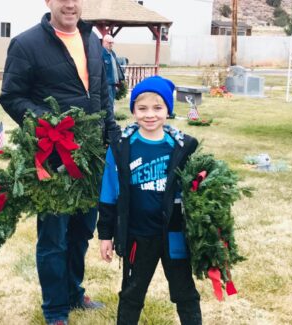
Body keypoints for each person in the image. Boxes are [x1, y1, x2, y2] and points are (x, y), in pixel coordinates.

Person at [0, 0, 120, 324]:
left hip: (92, 157)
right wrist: (50, 122)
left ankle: (73, 294)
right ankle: (54, 309)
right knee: (54, 235)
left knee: (82, 230)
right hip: (53, 158)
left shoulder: (91, 39)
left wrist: (113, 135)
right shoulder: (26, 44)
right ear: (48, 1)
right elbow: (11, 97)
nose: (70, 3)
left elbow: (102, 94)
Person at [97, 76, 202, 325]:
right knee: (132, 293)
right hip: (137, 235)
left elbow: (197, 191)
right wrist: (105, 235)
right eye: (142, 108)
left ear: (168, 110)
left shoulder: (183, 146)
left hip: (174, 235)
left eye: (158, 108)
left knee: (184, 292)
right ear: (133, 110)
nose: (150, 115)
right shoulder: (121, 146)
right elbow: (109, 192)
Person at [102, 34, 125, 108]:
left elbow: (116, 68)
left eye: (112, 43)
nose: (111, 44)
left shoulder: (113, 53)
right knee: (109, 103)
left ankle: (111, 117)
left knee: (112, 102)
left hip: (114, 83)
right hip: (107, 83)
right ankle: (110, 119)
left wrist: (118, 81)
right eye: (109, 42)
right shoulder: (101, 54)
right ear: (104, 42)